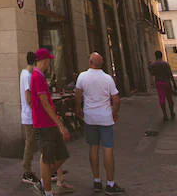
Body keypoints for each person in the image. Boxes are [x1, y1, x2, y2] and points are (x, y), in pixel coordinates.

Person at [74, 53, 124, 194]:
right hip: (105, 118)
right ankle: (110, 183)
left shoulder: (82, 77)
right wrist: (114, 113)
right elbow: (117, 99)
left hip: (90, 117)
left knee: (93, 147)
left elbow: (77, 95)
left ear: (90, 62)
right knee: (107, 149)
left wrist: (78, 109)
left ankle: (96, 181)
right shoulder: (107, 78)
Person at [30, 47, 73, 196]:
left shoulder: (38, 76)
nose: (50, 63)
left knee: (62, 154)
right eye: (48, 59)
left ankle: (44, 182)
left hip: (48, 122)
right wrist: (60, 125)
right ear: (44, 60)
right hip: (44, 123)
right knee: (47, 157)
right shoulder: (38, 77)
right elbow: (44, 103)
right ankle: (47, 191)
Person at [20, 51, 40, 187]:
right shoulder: (27, 75)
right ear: (35, 62)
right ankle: (26, 171)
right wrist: (37, 111)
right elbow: (28, 97)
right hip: (30, 116)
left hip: (29, 115)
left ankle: (52, 168)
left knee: (37, 142)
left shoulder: (24, 73)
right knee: (30, 143)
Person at [148, 51, 177, 121]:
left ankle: (165, 114)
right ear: (161, 56)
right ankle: (171, 112)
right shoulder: (165, 64)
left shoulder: (153, 64)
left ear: (155, 56)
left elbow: (152, 74)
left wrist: (149, 66)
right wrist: (174, 83)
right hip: (166, 82)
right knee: (169, 98)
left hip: (159, 83)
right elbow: (170, 74)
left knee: (162, 99)